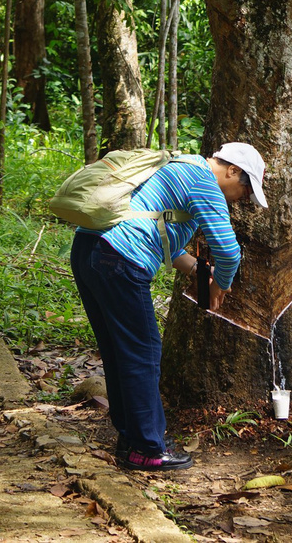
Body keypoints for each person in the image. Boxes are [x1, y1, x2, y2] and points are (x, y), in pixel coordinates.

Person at [70, 141, 268, 472]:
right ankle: (147, 448)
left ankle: (131, 440)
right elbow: (229, 252)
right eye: (245, 191)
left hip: (89, 250)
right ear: (233, 171)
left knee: (121, 353)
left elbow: (160, 239)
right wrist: (220, 285)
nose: (243, 199)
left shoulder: (178, 168)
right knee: (144, 353)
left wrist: (204, 274)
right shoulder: (204, 181)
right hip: (118, 260)